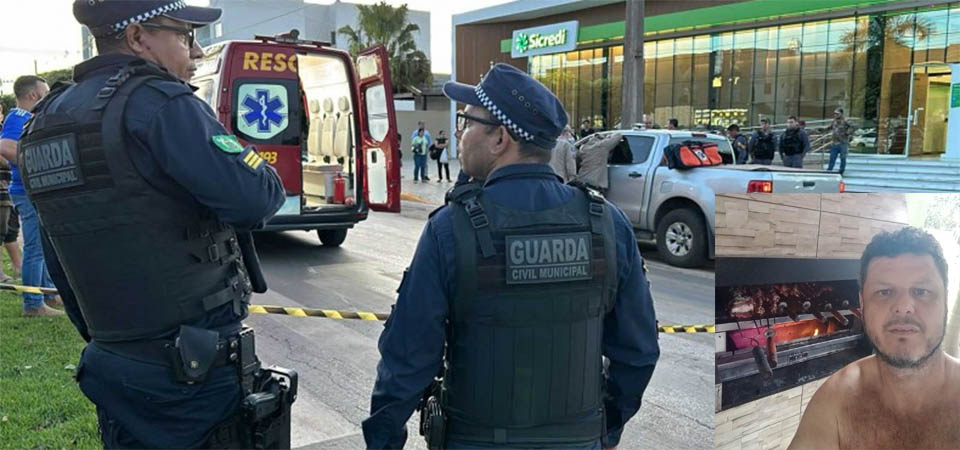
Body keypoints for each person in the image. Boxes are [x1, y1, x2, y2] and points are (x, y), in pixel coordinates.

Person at [19, 1, 293, 447]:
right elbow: (257, 198)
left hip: (115, 364)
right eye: (185, 36)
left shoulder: (45, 122)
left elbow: (59, 257)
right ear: (138, 37)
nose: (197, 52)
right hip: (194, 377)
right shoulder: (161, 103)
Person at [362, 63, 659, 450]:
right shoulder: (608, 225)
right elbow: (638, 352)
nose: (460, 133)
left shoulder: (450, 230)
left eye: (468, 122)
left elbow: (407, 360)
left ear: (499, 138)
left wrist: (383, 442)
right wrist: (606, 430)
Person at [788, 227, 959, 449]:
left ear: (945, 300)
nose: (904, 307)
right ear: (862, 303)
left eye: (922, 291)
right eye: (884, 292)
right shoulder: (835, 401)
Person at [0, 75, 60, 316]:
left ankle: (48, 294)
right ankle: (33, 304)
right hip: (26, 190)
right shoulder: (19, 117)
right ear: (33, 95)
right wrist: (36, 163)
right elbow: (4, 147)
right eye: (45, 93)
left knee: (43, 246)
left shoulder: (24, 117)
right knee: (35, 247)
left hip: (30, 189)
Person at [821, 108, 854, 175]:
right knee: (832, 157)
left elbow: (852, 127)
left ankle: (841, 170)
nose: (835, 115)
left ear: (841, 114)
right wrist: (822, 129)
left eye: (837, 114)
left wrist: (847, 132)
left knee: (843, 158)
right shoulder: (834, 121)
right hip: (835, 143)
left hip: (843, 143)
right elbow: (829, 127)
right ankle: (829, 170)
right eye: (835, 114)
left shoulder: (845, 121)